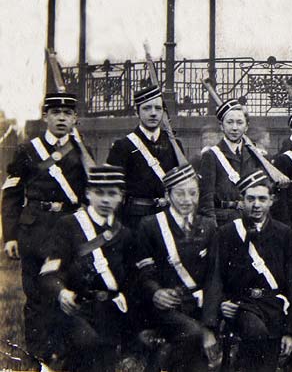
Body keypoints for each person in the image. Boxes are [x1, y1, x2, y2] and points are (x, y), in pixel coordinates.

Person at [2, 90, 93, 362]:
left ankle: (63, 352)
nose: (61, 119)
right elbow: (12, 194)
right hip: (35, 231)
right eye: (56, 113)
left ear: (75, 118)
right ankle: (37, 355)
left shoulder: (82, 152)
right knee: (36, 295)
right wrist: (10, 235)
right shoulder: (28, 150)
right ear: (45, 117)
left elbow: (90, 191)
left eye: (67, 114)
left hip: (67, 231)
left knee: (66, 290)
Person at [39, 165, 130, 372]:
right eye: (99, 193)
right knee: (88, 346)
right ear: (88, 193)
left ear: (121, 197)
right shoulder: (68, 225)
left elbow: (130, 278)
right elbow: (49, 272)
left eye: (112, 193)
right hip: (75, 309)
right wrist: (61, 292)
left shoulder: (124, 234)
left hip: (109, 310)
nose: (105, 200)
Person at [134, 164, 220, 372]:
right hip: (167, 307)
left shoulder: (208, 226)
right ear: (168, 195)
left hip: (198, 305)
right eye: (180, 194)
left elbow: (214, 277)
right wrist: (155, 292)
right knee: (192, 334)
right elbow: (144, 272)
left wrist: (209, 327)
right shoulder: (151, 225)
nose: (187, 200)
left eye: (193, 193)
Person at [213, 170, 292, 372]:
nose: (256, 205)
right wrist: (222, 303)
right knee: (256, 333)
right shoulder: (227, 232)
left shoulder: (284, 233)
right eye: (250, 198)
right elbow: (216, 275)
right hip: (242, 304)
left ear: (272, 201)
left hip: (274, 305)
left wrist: (291, 330)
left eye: (262, 199)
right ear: (241, 201)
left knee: (270, 354)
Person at [106, 83, 187, 228]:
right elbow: (112, 191)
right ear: (137, 112)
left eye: (158, 108)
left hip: (166, 217)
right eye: (146, 108)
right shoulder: (123, 146)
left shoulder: (174, 145)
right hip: (135, 220)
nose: (153, 113)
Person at [197, 98, 262, 227]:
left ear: (246, 126)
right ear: (221, 126)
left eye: (239, 122)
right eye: (229, 122)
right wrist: (212, 227)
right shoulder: (211, 155)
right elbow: (206, 199)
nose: (234, 128)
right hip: (224, 222)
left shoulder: (254, 154)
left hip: (250, 221)